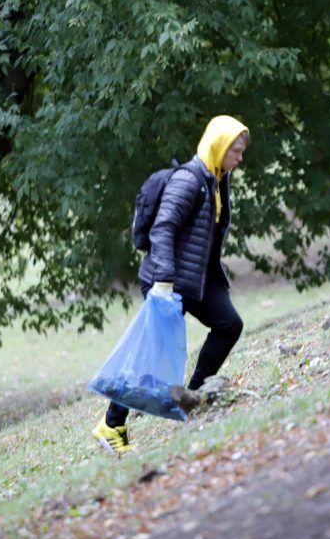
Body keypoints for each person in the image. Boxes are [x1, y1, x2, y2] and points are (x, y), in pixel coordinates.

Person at [93, 115, 251, 453]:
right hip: (167, 280)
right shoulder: (189, 180)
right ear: (218, 146)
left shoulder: (216, 179)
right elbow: (162, 228)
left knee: (228, 324)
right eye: (235, 151)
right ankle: (110, 425)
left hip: (195, 279)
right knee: (149, 359)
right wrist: (164, 280)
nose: (239, 158)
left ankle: (191, 398)